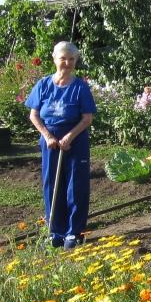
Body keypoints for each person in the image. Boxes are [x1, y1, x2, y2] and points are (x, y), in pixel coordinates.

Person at [25, 41, 96, 249]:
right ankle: (55, 231)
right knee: (51, 185)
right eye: (63, 58)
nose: (67, 63)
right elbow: (34, 115)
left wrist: (69, 137)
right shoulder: (43, 85)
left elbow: (87, 118)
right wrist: (47, 136)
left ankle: (74, 232)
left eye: (71, 59)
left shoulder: (80, 87)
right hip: (50, 142)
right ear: (54, 59)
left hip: (75, 139)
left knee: (76, 185)